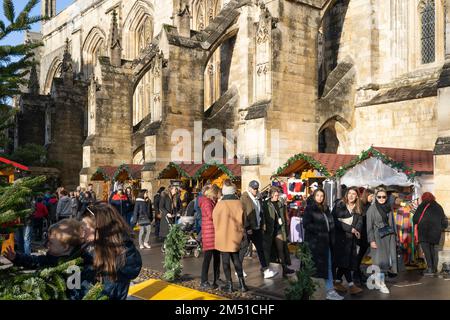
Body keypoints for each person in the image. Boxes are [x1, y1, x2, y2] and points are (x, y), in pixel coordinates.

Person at [80, 203, 142, 300]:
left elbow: (133, 269)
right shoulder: (84, 247)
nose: (82, 231)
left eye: (85, 227)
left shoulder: (124, 250)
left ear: (101, 228)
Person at [303, 188, 343, 300]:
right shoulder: (310, 208)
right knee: (316, 269)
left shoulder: (325, 209)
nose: (320, 198)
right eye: (318, 195)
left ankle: (330, 291)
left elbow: (330, 224)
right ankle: (318, 291)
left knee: (329, 266)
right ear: (314, 196)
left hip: (326, 242)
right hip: (315, 244)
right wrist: (320, 230)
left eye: (322, 196)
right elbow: (306, 224)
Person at [4, 219, 83, 270]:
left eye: (51, 242)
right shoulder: (50, 258)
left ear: (65, 247)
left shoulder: (76, 267)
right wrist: (16, 257)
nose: (47, 245)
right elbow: (33, 260)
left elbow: (77, 293)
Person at [213, 181, 248, 293]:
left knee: (225, 260)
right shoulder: (239, 203)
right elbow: (244, 220)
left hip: (223, 235)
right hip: (236, 234)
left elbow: (215, 220)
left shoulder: (220, 204)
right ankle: (242, 284)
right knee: (236, 259)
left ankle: (230, 285)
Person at [241, 180, 277, 279]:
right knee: (243, 250)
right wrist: (247, 227)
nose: (255, 190)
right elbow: (244, 214)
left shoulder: (258, 198)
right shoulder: (244, 198)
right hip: (249, 228)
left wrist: (262, 225)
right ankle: (238, 269)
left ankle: (265, 270)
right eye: (254, 188)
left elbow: (260, 213)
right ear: (249, 188)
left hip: (256, 228)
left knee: (260, 249)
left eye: (256, 188)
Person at [332, 187, 364, 295]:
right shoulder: (339, 205)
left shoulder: (358, 208)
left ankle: (337, 281)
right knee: (344, 262)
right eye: (349, 193)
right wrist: (351, 228)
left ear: (357, 196)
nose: (351, 195)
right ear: (346, 194)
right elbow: (335, 221)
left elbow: (360, 221)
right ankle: (351, 285)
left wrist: (357, 230)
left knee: (346, 262)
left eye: (353, 194)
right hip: (340, 239)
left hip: (351, 240)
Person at [366, 187, 398, 294]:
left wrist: (395, 237)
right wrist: (371, 240)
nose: (381, 198)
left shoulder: (389, 207)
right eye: (379, 197)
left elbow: (392, 223)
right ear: (376, 197)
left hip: (389, 235)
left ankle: (377, 280)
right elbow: (369, 226)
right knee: (380, 261)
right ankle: (381, 283)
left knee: (389, 259)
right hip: (378, 237)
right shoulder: (372, 209)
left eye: (384, 197)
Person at [262, 187, 295, 278]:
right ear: (271, 195)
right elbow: (263, 216)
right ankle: (265, 269)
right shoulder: (265, 204)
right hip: (269, 230)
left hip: (278, 229)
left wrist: (285, 227)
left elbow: (283, 216)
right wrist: (263, 225)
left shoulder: (280, 204)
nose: (277, 197)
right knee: (267, 251)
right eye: (275, 195)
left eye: (278, 195)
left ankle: (284, 268)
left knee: (281, 249)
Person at [413, 192, 448, 275]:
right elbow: (444, 221)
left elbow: (415, 219)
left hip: (424, 233)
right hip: (435, 233)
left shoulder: (422, 206)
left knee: (426, 251)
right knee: (433, 251)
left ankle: (429, 268)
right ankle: (434, 268)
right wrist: (440, 228)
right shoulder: (438, 206)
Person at [199, 184, 221, 289]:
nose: (218, 196)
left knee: (217, 257)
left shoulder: (212, 201)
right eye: (217, 194)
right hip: (209, 234)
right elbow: (211, 215)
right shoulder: (206, 202)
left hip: (214, 233)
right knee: (207, 259)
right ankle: (204, 281)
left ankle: (217, 278)